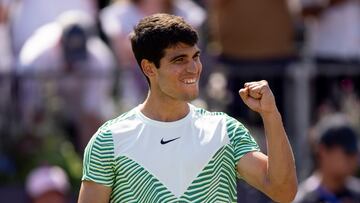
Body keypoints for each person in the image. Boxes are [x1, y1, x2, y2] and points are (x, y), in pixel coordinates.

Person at [78, 13, 297, 203]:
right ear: (149, 68)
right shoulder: (108, 140)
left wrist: (271, 115)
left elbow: (283, 192)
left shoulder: (225, 129)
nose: (193, 68)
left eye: (195, 57)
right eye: (179, 60)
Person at [17, 10, 116, 153]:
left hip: (77, 100)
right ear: (58, 43)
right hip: (45, 99)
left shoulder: (100, 60)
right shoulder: (35, 57)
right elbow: (31, 113)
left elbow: (92, 114)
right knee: (36, 128)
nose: (72, 65)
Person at [294, 123, 360, 203]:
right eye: (348, 151)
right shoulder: (303, 198)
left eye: (355, 152)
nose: (354, 158)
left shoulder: (356, 194)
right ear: (323, 151)